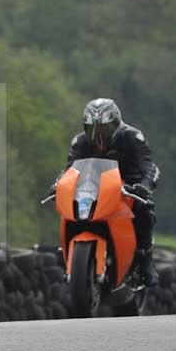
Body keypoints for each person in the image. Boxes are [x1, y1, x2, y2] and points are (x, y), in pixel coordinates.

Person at [49, 98, 161, 286]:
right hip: (94, 187)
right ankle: (68, 256)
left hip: (129, 187)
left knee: (144, 211)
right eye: (92, 130)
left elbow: (149, 166)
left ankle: (146, 258)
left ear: (117, 124)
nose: (98, 137)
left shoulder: (133, 137)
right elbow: (69, 170)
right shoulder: (80, 142)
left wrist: (145, 185)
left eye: (105, 130)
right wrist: (59, 185)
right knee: (69, 212)